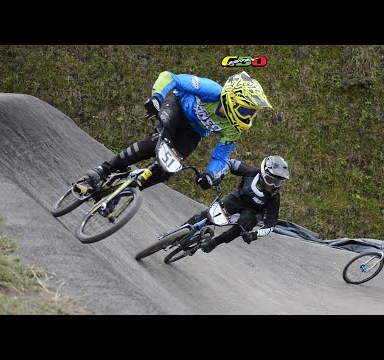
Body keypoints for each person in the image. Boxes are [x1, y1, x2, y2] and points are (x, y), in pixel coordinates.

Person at [84, 70, 272, 191]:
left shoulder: (234, 129)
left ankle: (124, 191)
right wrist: (157, 97)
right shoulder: (211, 91)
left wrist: (210, 175)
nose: (248, 116)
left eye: (252, 112)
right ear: (231, 99)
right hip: (177, 109)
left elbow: (220, 157)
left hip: (193, 133)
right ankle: (103, 170)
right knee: (155, 143)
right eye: (246, 110)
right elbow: (170, 77)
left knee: (168, 169)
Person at [183, 155, 290, 253]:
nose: (273, 186)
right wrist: (218, 176)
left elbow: (270, 225)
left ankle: (214, 243)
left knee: (241, 226)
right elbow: (230, 163)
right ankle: (182, 229)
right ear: (262, 174)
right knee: (208, 215)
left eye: (278, 182)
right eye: (270, 180)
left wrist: (253, 235)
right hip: (238, 199)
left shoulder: (274, 198)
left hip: (254, 212)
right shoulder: (251, 173)